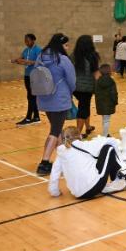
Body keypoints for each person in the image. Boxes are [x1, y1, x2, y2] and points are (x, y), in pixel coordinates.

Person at [48, 127, 126, 199]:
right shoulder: (84, 144)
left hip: (78, 194)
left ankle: (113, 179)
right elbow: (111, 141)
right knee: (108, 148)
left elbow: (54, 174)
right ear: (80, 136)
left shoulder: (60, 152)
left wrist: (54, 192)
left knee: (97, 157)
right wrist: (121, 162)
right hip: (94, 187)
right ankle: (116, 178)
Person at [36, 33, 76, 176]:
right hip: (60, 99)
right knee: (55, 131)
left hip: (44, 98)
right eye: (66, 45)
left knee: (57, 130)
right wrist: (70, 93)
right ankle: (44, 163)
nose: (67, 47)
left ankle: (63, 160)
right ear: (60, 45)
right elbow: (72, 81)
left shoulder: (40, 57)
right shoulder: (63, 59)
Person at [71, 35, 100, 138]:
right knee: (83, 108)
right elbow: (96, 74)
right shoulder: (92, 56)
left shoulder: (73, 55)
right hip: (87, 88)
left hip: (75, 87)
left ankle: (88, 127)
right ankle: (77, 133)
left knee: (84, 105)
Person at [12, 33, 42, 126]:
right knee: (31, 96)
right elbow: (22, 58)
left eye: (28, 40)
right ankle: (36, 117)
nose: (26, 42)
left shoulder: (38, 50)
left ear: (33, 40)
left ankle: (29, 118)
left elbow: (40, 62)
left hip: (35, 75)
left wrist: (28, 62)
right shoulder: (26, 50)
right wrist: (17, 60)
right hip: (27, 75)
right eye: (25, 41)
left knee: (32, 97)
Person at [95, 64, 118, 137]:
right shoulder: (111, 81)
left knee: (104, 120)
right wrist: (115, 102)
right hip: (109, 104)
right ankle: (104, 136)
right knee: (106, 120)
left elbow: (95, 91)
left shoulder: (98, 81)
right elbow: (114, 93)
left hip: (100, 103)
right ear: (109, 71)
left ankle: (105, 133)